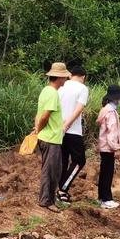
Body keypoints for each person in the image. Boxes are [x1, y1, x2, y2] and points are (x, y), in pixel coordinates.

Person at [35, 62, 71, 213]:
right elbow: (44, 116)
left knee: (51, 170)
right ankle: (46, 201)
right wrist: (38, 129)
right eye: (64, 77)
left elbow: (40, 115)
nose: (65, 80)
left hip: (49, 137)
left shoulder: (46, 91)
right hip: (50, 139)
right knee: (51, 171)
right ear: (59, 78)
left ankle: (47, 199)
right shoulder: (52, 93)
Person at [57, 66, 89, 203]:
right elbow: (79, 109)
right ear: (83, 77)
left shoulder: (61, 86)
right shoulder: (82, 88)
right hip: (72, 131)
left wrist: (61, 126)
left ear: (70, 75)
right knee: (79, 160)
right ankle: (63, 189)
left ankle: (59, 190)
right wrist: (67, 124)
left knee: (63, 160)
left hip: (58, 130)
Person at [96, 84, 120, 209]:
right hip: (108, 147)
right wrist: (115, 147)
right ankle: (106, 199)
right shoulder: (111, 112)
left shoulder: (104, 109)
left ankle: (101, 197)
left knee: (104, 172)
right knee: (107, 173)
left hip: (103, 146)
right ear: (115, 98)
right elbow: (112, 132)